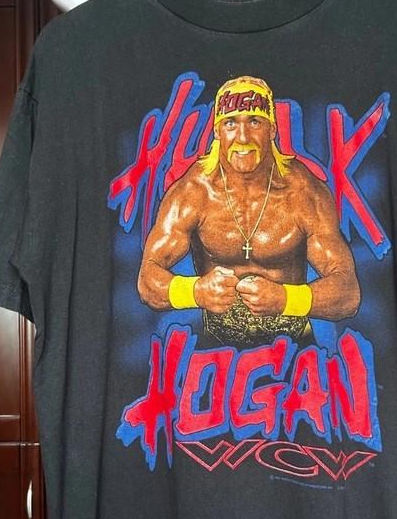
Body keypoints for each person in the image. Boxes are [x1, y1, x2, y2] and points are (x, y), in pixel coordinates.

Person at [137, 75, 361, 349]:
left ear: (272, 129)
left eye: (254, 122)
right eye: (231, 123)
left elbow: (348, 293)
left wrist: (285, 299)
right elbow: (147, 280)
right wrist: (195, 292)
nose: (242, 138)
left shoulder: (304, 192)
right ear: (217, 131)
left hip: (293, 349)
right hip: (217, 351)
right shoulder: (193, 192)